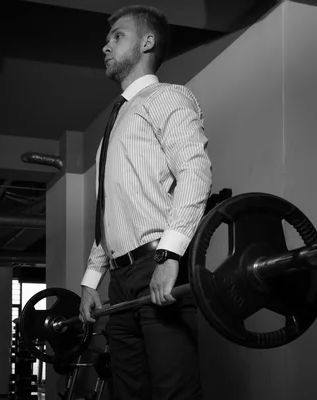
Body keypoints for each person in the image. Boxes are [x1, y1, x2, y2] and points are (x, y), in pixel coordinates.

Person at [78, 4, 212, 400]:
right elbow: (112, 214)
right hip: (119, 283)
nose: (105, 46)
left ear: (147, 42)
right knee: (127, 393)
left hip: (156, 268)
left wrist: (170, 257)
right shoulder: (112, 129)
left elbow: (195, 172)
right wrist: (90, 281)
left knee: (174, 393)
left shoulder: (168, 97)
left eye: (117, 36)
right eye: (107, 39)